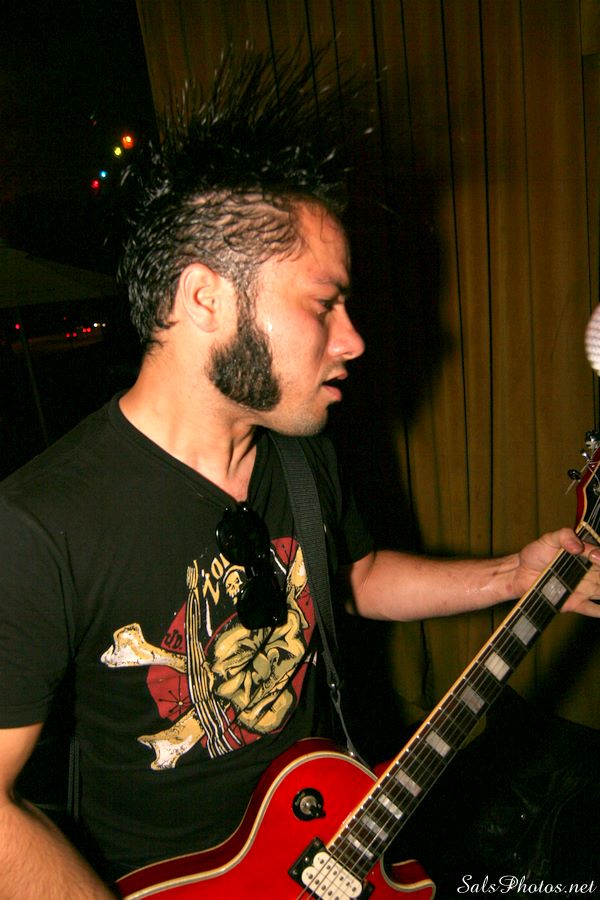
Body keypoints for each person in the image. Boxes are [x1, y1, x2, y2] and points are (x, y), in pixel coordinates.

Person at [0, 52, 599, 899]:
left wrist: (513, 575)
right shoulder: (39, 523)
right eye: (324, 304)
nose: (352, 339)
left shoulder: (297, 446)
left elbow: (352, 577)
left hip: (321, 839)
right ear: (206, 298)